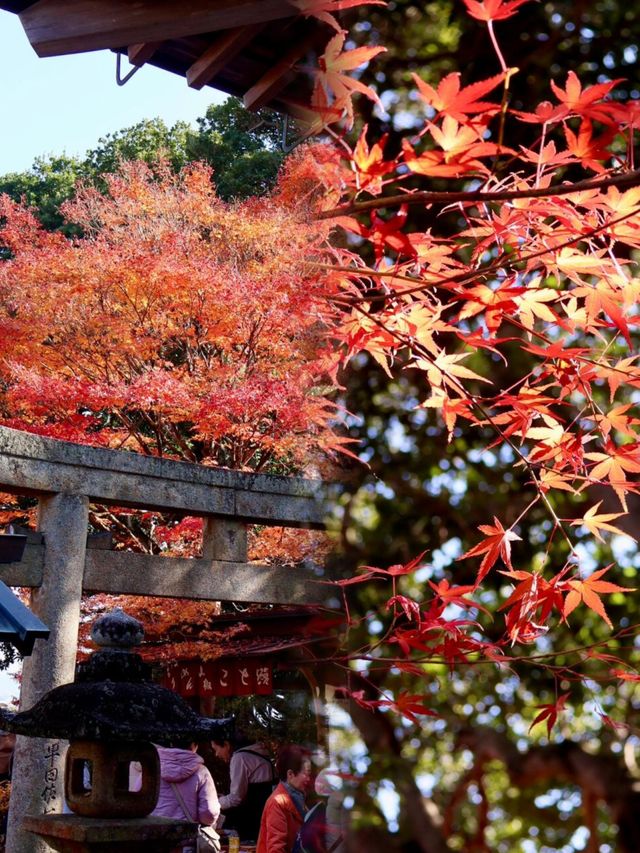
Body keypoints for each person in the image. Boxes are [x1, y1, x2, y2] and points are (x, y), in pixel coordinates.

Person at [152, 740, 221, 853]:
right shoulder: (202, 772)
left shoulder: (151, 769)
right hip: (187, 843)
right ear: (194, 745)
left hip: (155, 840)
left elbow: (137, 803)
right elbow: (209, 813)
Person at [210, 734, 275, 841]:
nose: (216, 754)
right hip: (267, 814)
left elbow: (236, 798)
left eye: (216, 749)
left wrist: (215, 803)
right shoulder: (258, 753)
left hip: (254, 820)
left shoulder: (240, 758)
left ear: (226, 745)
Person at [256, 744, 311, 853]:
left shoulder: (299, 796)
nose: (309, 779)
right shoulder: (276, 803)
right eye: (306, 774)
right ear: (290, 774)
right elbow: (276, 848)